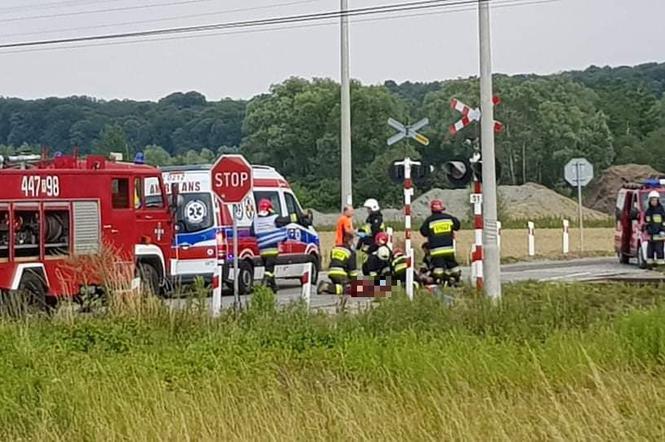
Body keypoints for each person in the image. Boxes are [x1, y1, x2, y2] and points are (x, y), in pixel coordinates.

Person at [251, 198, 308, 292]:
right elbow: (288, 219)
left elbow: (252, 232)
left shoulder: (256, 221)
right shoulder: (274, 218)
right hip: (272, 250)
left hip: (262, 250)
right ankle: (263, 285)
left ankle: (273, 287)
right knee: (269, 270)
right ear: (269, 208)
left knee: (269, 268)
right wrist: (301, 216)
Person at [419, 199, 461, 283]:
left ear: (431, 210)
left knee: (438, 268)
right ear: (441, 209)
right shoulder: (449, 218)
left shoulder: (429, 221)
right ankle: (456, 279)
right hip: (449, 249)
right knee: (453, 266)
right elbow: (457, 225)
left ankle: (439, 282)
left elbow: (423, 232)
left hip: (436, 251)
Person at [644, 190, 665, 265]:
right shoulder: (648, 211)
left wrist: (663, 230)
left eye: (655, 200)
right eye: (652, 200)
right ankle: (650, 264)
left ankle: (661, 265)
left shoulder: (661, 210)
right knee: (650, 250)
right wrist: (646, 229)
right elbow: (646, 222)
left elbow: (663, 222)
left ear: (658, 200)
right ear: (649, 201)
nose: (654, 202)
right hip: (651, 235)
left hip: (659, 235)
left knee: (659, 250)